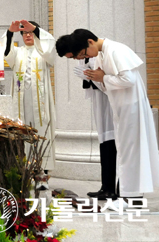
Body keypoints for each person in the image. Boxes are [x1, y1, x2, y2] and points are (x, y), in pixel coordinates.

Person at [66, 29, 159, 199]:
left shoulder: (116, 50)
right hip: (121, 107)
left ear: (90, 42)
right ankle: (129, 195)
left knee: (130, 151)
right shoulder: (103, 53)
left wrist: (103, 78)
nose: (86, 57)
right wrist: (95, 79)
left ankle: (131, 196)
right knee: (125, 151)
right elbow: (107, 84)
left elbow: (128, 80)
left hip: (131, 108)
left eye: (84, 53)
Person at [56, 35, 117, 200]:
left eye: (74, 56)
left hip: (111, 101)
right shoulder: (84, 55)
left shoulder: (99, 52)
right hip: (99, 99)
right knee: (105, 141)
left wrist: (91, 76)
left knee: (111, 142)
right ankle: (106, 186)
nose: (76, 59)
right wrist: (88, 78)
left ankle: (113, 188)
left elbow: (109, 77)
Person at [0, 20, 56, 171]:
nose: (28, 35)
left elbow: (51, 50)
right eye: (24, 32)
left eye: (31, 32)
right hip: (22, 101)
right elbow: (6, 53)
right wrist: (10, 32)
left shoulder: (43, 52)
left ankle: (42, 171)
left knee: (40, 128)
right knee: (22, 130)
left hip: (40, 102)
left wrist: (37, 31)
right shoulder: (18, 52)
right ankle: (23, 167)